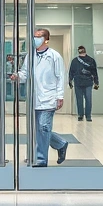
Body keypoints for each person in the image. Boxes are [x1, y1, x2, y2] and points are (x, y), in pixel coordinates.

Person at [11, 28, 68, 166]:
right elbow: (25, 73)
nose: (35, 39)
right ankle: (60, 144)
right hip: (34, 98)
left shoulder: (54, 56)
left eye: (39, 36)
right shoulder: (30, 56)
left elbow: (61, 77)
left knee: (43, 127)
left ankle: (41, 159)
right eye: (34, 36)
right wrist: (17, 76)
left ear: (46, 39)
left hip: (49, 96)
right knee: (41, 129)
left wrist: (60, 96)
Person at [68, 45, 100, 121]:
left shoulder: (75, 61)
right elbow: (94, 72)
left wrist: (70, 81)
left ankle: (81, 115)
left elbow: (71, 72)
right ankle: (87, 116)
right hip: (87, 81)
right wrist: (96, 82)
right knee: (87, 99)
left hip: (79, 82)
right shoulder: (90, 60)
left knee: (80, 99)